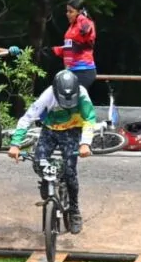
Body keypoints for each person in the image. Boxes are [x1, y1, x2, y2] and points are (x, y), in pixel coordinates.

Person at [7, 71, 95, 234]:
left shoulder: (82, 94)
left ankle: (74, 211)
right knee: (38, 162)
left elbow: (90, 119)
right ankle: (47, 183)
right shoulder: (47, 95)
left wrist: (85, 144)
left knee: (70, 172)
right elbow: (27, 118)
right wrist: (15, 144)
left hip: (72, 130)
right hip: (50, 130)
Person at [52, 0, 97, 89]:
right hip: (71, 70)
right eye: (67, 11)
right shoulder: (72, 27)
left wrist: (81, 17)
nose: (67, 14)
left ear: (80, 12)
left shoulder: (86, 23)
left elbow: (86, 29)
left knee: (71, 98)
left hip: (84, 70)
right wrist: (53, 50)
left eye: (71, 11)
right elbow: (70, 47)